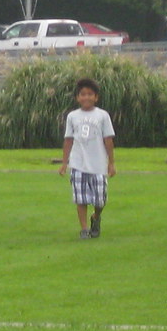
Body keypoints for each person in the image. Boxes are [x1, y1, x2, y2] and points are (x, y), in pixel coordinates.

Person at [58, 78, 116, 240]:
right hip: (78, 164)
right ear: (78, 97)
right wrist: (64, 163)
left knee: (99, 200)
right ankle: (84, 229)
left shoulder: (102, 116)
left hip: (98, 165)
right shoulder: (72, 116)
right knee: (81, 198)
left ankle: (95, 218)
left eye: (90, 94)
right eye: (83, 94)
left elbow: (108, 140)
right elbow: (68, 140)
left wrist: (111, 163)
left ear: (96, 97)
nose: (86, 97)